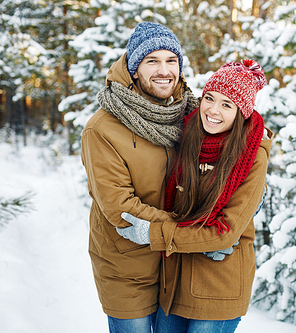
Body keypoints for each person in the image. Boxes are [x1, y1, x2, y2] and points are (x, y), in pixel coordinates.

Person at [117, 59, 274, 333]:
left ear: (242, 113)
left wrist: (154, 234)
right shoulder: (189, 135)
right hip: (175, 283)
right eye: (209, 98)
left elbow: (225, 232)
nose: (213, 110)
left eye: (227, 104)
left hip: (217, 290)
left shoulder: (252, 155)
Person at [80, 22, 198, 333]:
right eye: (152, 61)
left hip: (176, 265)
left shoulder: (188, 115)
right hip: (126, 268)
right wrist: (189, 233)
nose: (164, 70)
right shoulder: (103, 128)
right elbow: (120, 207)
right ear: (134, 69)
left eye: (171, 61)